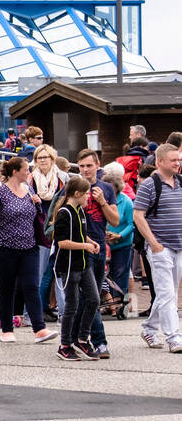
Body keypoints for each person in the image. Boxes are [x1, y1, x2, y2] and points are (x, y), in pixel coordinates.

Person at [0, 157, 59, 345]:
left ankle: (39, 329)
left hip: (29, 248)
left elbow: (38, 217)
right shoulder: (0, 192)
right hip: (4, 249)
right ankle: (7, 330)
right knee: (6, 289)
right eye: (26, 169)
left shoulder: (29, 190)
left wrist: (37, 203)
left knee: (31, 287)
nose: (29, 172)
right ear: (15, 171)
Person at [136, 143, 182, 351]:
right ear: (160, 162)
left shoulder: (180, 182)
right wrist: (154, 244)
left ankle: (149, 329)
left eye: (179, 160)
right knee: (166, 293)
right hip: (160, 248)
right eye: (174, 160)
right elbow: (138, 215)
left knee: (168, 293)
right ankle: (174, 337)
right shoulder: (149, 185)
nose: (178, 163)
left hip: (179, 247)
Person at [48, 177, 100, 360]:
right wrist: (84, 246)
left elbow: (81, 235)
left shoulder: (80, 211)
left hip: (83, 264)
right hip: (69, 266)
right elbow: (62, 242)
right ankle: (64, 344)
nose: (89, 197)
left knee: (94, 299)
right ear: (77, 194)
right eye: (86, 193)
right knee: (72, 305)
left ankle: (82, 338)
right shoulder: (64, 213)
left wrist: (91, 242)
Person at [75, 148, 119, 358]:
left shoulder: (106, 189)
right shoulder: (73, 187)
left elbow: (115, 220)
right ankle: (98, 341)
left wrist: (102, 202)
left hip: (99, 247)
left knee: (91, 298)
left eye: (89, 166)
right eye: (82, 166)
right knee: (90, 296)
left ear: (97, 165)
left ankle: (77, 338)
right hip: (80, 249)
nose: (85, 170)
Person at [32, 144, 69, 321]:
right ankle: (38, 310)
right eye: (40, 158)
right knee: (42, 272)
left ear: (52, 159)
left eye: (46, 157)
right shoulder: (31, 180)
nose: (43, 161)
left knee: (56, 271)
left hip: (57, 227)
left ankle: (59, 310)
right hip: (38, 228)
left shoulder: (62, 179)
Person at [102, 163, 136, 309]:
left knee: (121, 273)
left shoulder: (126, 201)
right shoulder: (101, 201)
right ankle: (109, 304)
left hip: (123, 243)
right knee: (104, 275)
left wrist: (120, 236)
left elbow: (131, 223)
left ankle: (121, 305)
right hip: (105, 242)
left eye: (111, 187)